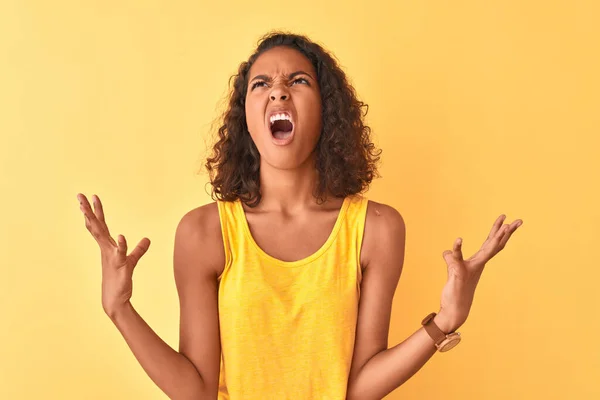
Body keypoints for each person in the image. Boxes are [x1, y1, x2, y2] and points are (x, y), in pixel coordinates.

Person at [77, 31, 523, 400]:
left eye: (298, 81)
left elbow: (360, 386)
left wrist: (444, 322)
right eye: (261, 84)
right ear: (247, 120)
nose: (278, 90)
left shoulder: (377, 230)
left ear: (326, 111)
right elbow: (196, 391)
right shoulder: (204, 233)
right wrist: (119, 309)